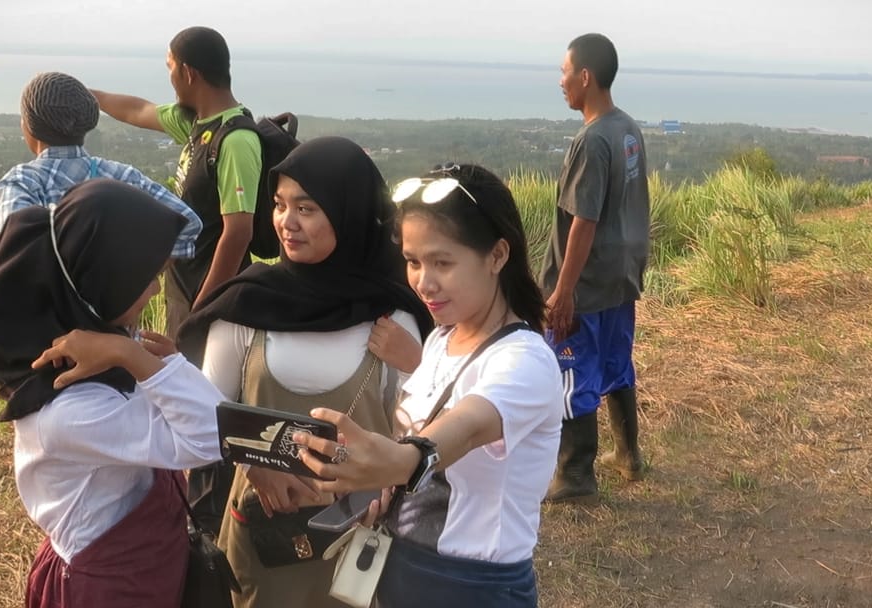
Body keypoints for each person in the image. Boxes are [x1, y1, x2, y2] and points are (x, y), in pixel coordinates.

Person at [176, 137, 432, 608]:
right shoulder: (247, 306)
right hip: (262, 537)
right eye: (277, 205)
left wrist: (417, 364)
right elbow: (200, 414)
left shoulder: (395, 320)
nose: (286, 223)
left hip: (361, 538)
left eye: (307, 208)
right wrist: (254, 465)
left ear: (349, 212)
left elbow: (427, 435)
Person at [293, 164, 563, 608]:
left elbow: (470, 425)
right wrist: (377, 477)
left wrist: (401, 460)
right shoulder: (441, 339)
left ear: (497, 256)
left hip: (474, 586)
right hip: (403, 567)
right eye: (413, 262)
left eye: (442, 262)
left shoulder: (524, 361)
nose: (423, 282)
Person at [0, 179, 227, 607]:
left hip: (144, 564)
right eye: (144, 279)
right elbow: (213, 435)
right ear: (100, 283)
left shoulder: (97, 360)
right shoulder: (68, 408)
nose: (154, 290)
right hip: (108, 588)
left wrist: (147, 360)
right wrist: (142, 361)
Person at [92, 26, 262, 338]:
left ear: (188, 72)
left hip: (213, 296)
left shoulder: (236, 139)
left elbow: (238, 232)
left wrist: (203, 308)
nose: (170, 79)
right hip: (184, 285)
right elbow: (138, 110)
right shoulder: (195, 122)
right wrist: (92, 97)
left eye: (170, 69)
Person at [541, 33, 651, 504]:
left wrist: (563, 291)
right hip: (620, 276)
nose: (560, 81)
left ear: (585, 77)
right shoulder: (627, 128)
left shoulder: (591, 140)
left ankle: (576, 475)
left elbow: (583, 221)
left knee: (572, 370)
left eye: (564, 72)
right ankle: (629, 456)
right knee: (615, 362)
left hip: (586, 281)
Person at [0, 71, 201, 256]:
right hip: (118, 302)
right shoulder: (123, 176)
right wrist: (139, 283)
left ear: (29, 127)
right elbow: (188, 223)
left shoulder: (21, 183)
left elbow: (12, 250)